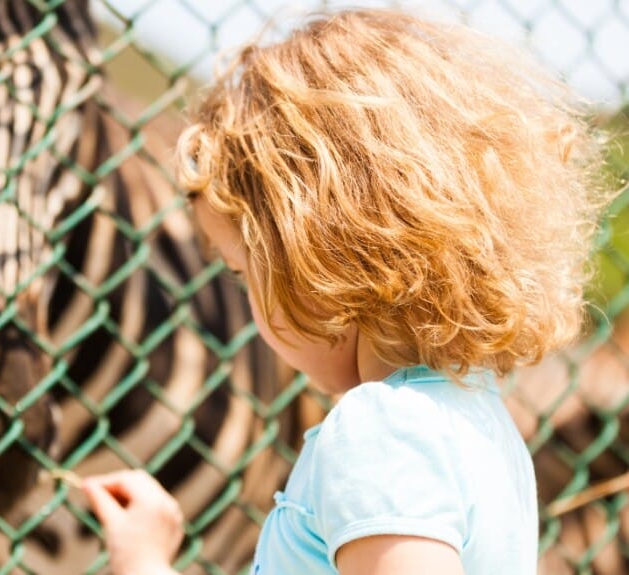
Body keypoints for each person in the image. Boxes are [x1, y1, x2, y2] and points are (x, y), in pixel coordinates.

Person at [81, 8, 610, 575]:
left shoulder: (383, 433)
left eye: (244, 273)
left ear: (313, 259)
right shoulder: (475, 421)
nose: (247, 304)